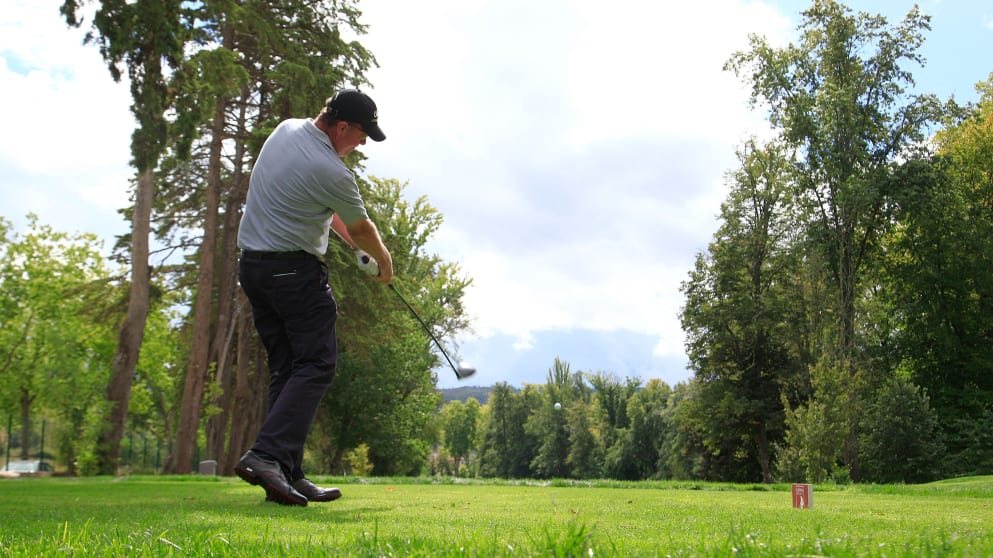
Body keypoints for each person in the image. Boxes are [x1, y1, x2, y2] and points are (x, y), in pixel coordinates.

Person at [234, 89, 393, 506]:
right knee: (317, 363)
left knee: (288, 370)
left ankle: (285, 472)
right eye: (361, 135)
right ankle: (266, 456)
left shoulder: (288, 131)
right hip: (293, 273)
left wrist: (354, 247)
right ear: (343, 127)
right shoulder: (332, 170)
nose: (361, 144)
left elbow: (329, 211)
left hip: (254, 269)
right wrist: (385, 263)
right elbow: (361, 227)